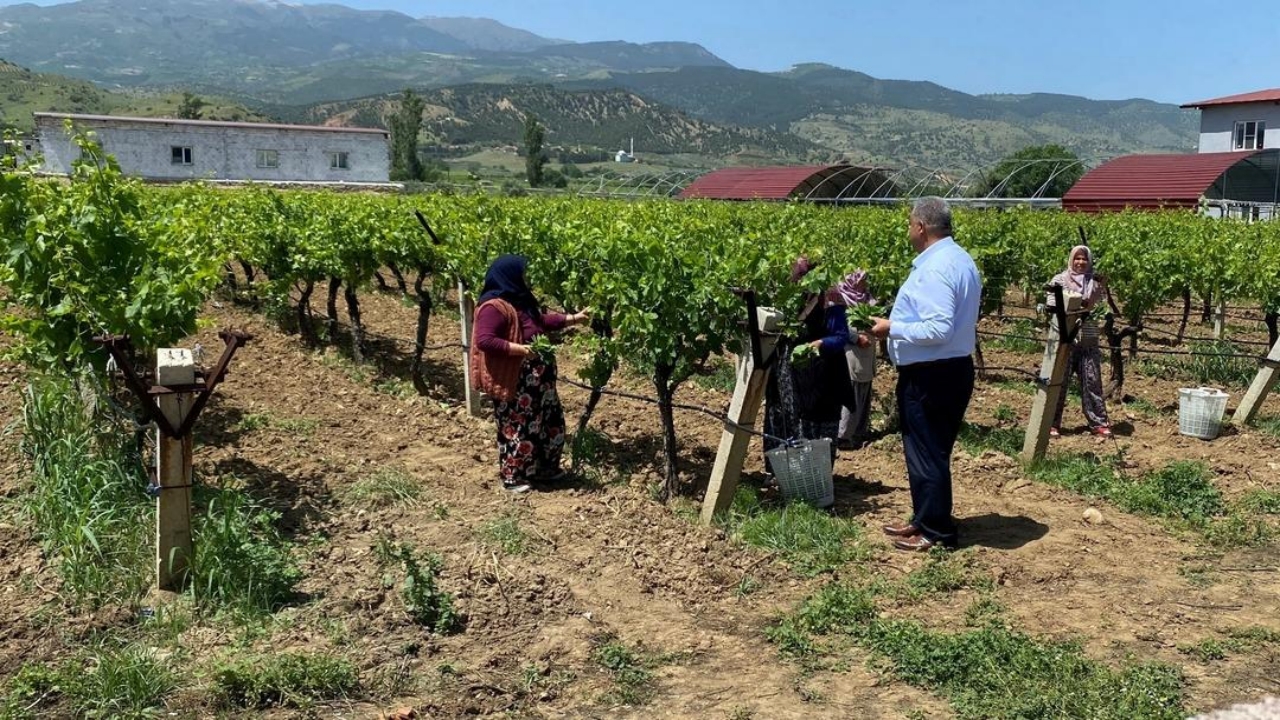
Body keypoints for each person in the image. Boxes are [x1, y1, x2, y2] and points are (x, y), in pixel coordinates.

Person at [869, 198, 981, 552]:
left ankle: (936, 531)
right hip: (950, 370)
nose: (907, 230)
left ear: (921, 227)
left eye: (909, 224)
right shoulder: (959, 259)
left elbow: (938, 328)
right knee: (929, 450)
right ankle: (924, 517)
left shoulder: (936, 268)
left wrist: (891, 327)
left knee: (928, 451)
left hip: (932, 375)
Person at [470, 255, 590, 493]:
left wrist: (573, 319)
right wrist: (522, 351)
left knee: (549, 422)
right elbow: (485, 340)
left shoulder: (520, 301)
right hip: (517, 379)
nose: (527, 278)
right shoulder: (493, 306)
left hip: (539, 381)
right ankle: (513, 477)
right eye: (522, 273)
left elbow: (539, 321)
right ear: (509, 275)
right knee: (519, 426)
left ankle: (544, 470)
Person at [762, 257, 852, 474]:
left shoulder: (830, 301)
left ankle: (814, 475)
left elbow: (841, 336)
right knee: (783, 416)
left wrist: (820, 343)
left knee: (816, 425)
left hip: (821, 376)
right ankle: (784, 473)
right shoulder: (789, 298)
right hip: (789, 372)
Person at [1047, 245, 1112, 438]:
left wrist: (1099, 289)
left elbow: (1100, 308)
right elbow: (1052, 303)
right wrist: (1073, 306)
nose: (1081, 262)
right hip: (1065, 336)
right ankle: (1052, 423)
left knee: (1092, 380)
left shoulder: (1096, 283)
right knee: (1059, 381)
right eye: (1077, 258)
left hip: (1088, 336)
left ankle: (1098, 422)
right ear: (1071, 260)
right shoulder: (1059, 280)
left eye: (1085, 259)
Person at [831, 271, 877, 449]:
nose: (865, 283)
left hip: (866, 354)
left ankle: (858, 432)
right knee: (852, 392)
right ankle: (843, 436)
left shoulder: (867, 298)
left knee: (864, 391)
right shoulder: (840, 298)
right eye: (862, 280)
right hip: (851, 352)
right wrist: (856, 338)